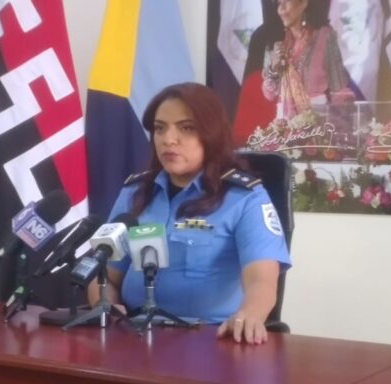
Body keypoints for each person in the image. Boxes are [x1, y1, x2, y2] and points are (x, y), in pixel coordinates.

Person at [90, 83, 291, 345]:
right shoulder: (135, 193)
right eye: (160, 128)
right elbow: (105, 275)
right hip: (132, 336)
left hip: (211, 339)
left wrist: (250, 315)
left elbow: (261, 280)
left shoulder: (245, 199)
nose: (168, 139)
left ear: (211, 134)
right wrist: (106, 305)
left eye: (186, 128)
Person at [261, 0, 355, 123]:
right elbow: (269, 95)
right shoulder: (276, 43)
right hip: (285, 126)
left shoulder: (324, 37)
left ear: (304, 3)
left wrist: (339, 124)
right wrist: (273, 68)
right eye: (279, 3)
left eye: (286, 1)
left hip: (319, 124)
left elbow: (340, 92)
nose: (281, 9)